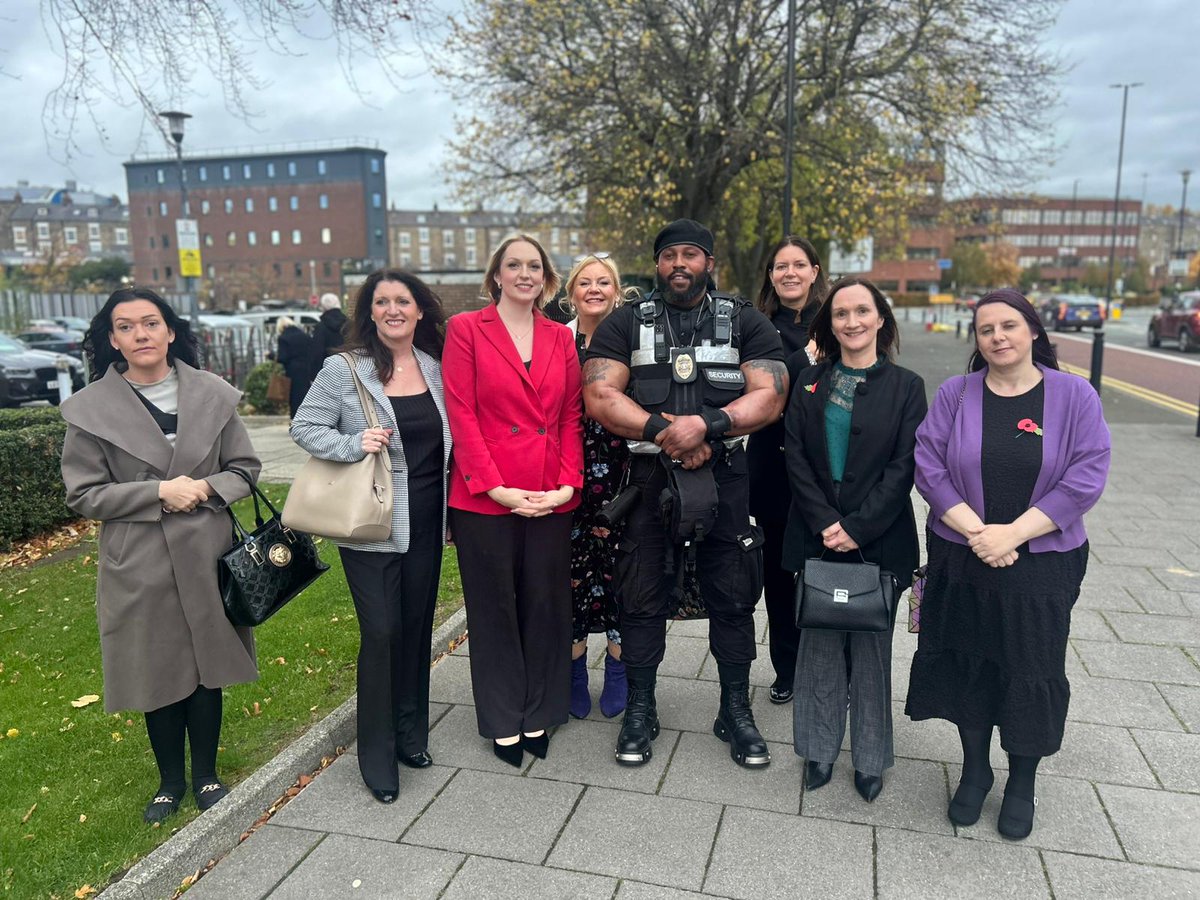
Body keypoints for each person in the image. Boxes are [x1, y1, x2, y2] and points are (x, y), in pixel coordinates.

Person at [906, 288, 1110, 839]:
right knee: (970, 659)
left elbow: (1087, 474)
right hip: (962, 554)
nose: (997, 337)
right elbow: (929, 465)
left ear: (1034, 331)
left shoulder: (1074, 395)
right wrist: (978, 532)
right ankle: (975, 770)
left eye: (1009, 326)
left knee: (1029, 668)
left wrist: (1013, 534)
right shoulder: (957, 393)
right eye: (986, 329)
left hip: (1042, 561)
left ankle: (1022, 780)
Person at [583, 218, 787, 768]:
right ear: (657, 264)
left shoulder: (746, 320)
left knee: (734, 594)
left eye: (691, 254)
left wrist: (710, 426)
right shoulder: (625, 322)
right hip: (650, 479)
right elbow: (601, 395)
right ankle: (641, 710)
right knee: (642, 594)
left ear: (709, 263)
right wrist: (665, 432)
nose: (680, 263)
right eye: (669, 254)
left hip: (725, 476)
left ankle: (734, 711)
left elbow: (769, 396)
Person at [60, 287, 261, 823]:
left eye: (151, 323)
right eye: (126, 327)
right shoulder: (89, 410)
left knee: (206, 668)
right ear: (112, 340)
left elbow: (245, 468)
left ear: (171, 331)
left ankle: (207, 776)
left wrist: (205, 488)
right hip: (139, 561)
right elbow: (83, 493)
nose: (140, 334)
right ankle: (171, 782)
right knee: (157, 671)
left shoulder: (214, 395)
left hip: (208, 555)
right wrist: (155, 493)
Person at [290, 269, 450, 804]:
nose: (393, 309)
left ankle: (410, 736)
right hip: (371, 525)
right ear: (371, 312)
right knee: (381, 634)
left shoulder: (434, 367)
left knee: (416, 629)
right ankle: (377, 757)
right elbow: (304, 427)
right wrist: (354, 442)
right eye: (382, 302)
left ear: (420, 310)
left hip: (429, 523)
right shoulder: (345, 369)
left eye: (402, 300)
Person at [781, 276, 926, 803]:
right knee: (817, 647)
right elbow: (794, 455)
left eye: (862, 311)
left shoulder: (907, 385)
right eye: (841, 314)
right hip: (816, 535)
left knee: (870, 653)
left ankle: (869, 759)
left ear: (881, 319)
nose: (852, 321)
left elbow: (904, 465)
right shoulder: (810, 381)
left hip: (879, 539)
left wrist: (859, 526)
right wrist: (825, 522)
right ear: (830, 323)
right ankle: (818, 751)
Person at [442, 235, 584, 768]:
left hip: (550, 492)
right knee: (495, 608)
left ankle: (541, 709)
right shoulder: (465, 330)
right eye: (513, 265)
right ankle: (504, 717)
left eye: (534, 265)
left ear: (545, 276)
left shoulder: (559, 338)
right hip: (486, 496)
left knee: (546, 608)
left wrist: (568, 484)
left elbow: (571, 415)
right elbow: (462, 412)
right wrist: (495, 486)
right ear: (496, 275)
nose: (525, 273)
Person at [747, 236, 829, 704]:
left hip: (823, 470)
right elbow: (762, 392)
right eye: (781, 266)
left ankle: (831, 667)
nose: (790, 273)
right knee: (779, 575)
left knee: (825, 572)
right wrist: (805, 360)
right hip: (772, 468)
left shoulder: (836, 322)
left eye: (800, 264)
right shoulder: (755, 326)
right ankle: (788, 668)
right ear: (771, 275)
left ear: (815, 271)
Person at [563, 253, 630, 719]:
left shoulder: (632, 337)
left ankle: (620, 669)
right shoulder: (556, 340)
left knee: (620, 573)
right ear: (571, 292)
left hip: (621, 471)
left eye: (603, 282)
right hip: (566, 470)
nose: (594, 289)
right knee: (570, 574)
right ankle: (572, 672)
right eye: (585, 282)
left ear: (616, 289)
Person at [275, 315, 314, 417]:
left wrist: (271, 356)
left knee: (294, 396)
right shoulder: (304, 335)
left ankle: (296, 418)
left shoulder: (283, 338)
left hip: (292, 370)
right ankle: (307, 416)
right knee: (305, 393)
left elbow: (282, 358)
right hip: (306, 368)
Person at [309, 292, 348, 374]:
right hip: (348, 371)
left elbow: (317, 352)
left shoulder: (321, 327)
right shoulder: (350, 325)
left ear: (323, 307)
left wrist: (314, 375)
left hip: (327, 373)